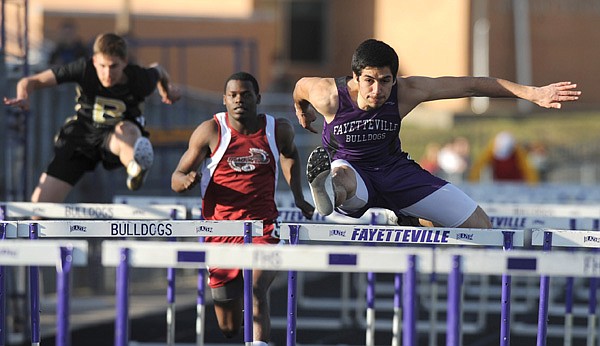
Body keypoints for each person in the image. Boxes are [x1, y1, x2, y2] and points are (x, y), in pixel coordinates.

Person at [293, 38, 580, 228]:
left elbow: (472, 85)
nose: (377, 90)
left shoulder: (408, 91)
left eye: (385, 81)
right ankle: (327, 192)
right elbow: (300, 87)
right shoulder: (327, 94)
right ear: (355, 77)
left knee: (481, 227)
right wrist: (302, 111)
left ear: (395, 79)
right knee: (340, 177)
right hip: (353, 169)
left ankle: (411, 216)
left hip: (396, 171)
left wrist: (533, 93)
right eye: (368, 81)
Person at [171, 72, 314, 345]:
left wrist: (298, 195)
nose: (240, 100)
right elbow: (176, 176)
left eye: (246, 95)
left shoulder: (278, 129)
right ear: (224, 99)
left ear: (258, 98)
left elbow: (291, 154)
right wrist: (185, 181)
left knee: (255, 288)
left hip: (263, 227)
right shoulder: (210, 131)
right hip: (220, 231)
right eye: (233, 95)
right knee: (229, 328)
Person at [4, 33, 180, 202]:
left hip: (114, 138)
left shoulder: (139, 79)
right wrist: (24, 96)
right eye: (102, 66)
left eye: (113, 67)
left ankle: (135, 168)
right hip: (82, 137)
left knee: (127, 129)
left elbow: (158, 69)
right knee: (39, 209)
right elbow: (29, 81)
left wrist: (167, 88)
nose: (107, 74)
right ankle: (35, 226)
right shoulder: (83, 68)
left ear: (124, 62)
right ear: (94, 60)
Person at [469, 131, 540, 184]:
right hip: (498, 183)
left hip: (516, 184)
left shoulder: (518, 152)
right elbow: (478, 166)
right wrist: (473, 182)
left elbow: (528, 170)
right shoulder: (490, 149)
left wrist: (533, 185)